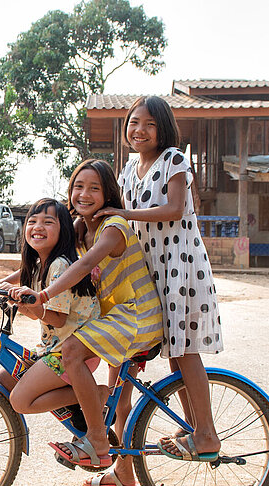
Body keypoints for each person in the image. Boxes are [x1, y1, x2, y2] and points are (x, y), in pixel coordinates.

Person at [10, 159, 163, 486]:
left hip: (136, 315)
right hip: (113, 317)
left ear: (109, 193)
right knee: (120, 402)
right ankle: (124, 474)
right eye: (78, 186)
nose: (84, 194)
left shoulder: (113, 226)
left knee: (72, 351)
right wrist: (4, 282)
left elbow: (84, 265)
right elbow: (45, 260)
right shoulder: (81, 227)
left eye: (94, 188)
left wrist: (44, 294)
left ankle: (96, 440)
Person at [94, 95, 222, 462]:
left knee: (185, 350)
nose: (140, 130)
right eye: (134, 122)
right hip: (148, 270)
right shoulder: (127, 170)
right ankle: (192, 426)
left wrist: (121, 209)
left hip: (179, 265)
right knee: (172, 353)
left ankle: (207, 434)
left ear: (163, 128)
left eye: (149, 124)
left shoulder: (174, 160)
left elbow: (175, 208)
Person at [0, 197, 101, 406]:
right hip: (53, 348)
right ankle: (78, 414)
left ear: (63, 230)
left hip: (73, 353)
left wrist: (33, 305)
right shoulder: (41, 263)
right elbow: (25, 276)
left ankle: (94, 394)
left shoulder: (60, 266)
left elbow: (59, 320)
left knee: (20, 400)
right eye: (32, 221)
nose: (38, 227)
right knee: (4, 379)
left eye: (48, 222)